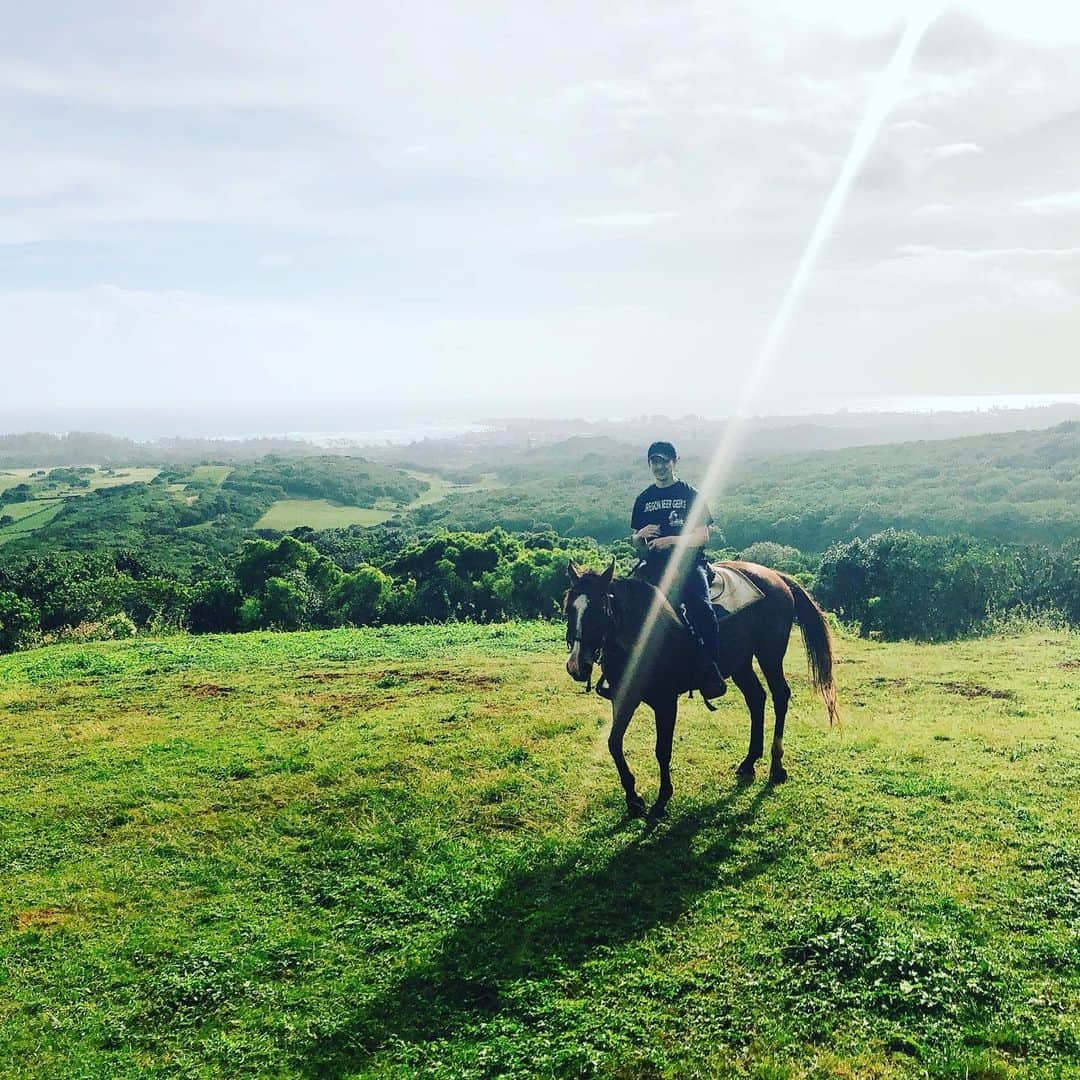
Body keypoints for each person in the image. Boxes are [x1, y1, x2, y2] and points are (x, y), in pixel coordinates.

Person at [630, 440, 726, 699]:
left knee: (702, 610)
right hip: (653, 566)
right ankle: (619, 668)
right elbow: (638, 546)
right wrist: (639, 537)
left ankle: (710, 669)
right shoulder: (644, 499)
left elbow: (702, 537)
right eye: (654, 462)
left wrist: (671, 541)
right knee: (624, 606)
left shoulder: (690, 495)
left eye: (664, 461)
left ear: (675, 462)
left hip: (688, 565)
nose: (659, 466)